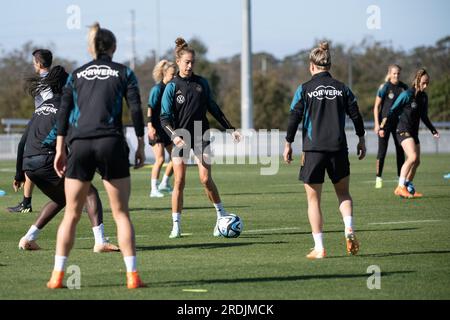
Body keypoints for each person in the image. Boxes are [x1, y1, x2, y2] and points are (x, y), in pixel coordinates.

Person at [49, 22, 146, 289]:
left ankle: (58, 276)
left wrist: (59, 148)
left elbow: (64, 111)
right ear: (114, 48)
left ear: (91, 47)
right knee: (121, 213)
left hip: (79, 144)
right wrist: (140, 143)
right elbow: (136, 108)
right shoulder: (124, 72)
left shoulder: (77, 74)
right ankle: (132, 276)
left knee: (71, 213)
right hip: (110, 143)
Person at [13, 65, 119, 253]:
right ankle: (100, 241)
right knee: (89, 191)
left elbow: (23, 141)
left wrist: (19, 173)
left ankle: (28, 238)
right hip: (46, 159)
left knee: (62, 199)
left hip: (29, 164)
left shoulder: (41, 108)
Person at [283, 42, 366, 259]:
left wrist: (288, 143)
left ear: (312, 66)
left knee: (314, 201)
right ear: (329, 65)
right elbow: (356, 115)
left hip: (313, 150)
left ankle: (319, 248)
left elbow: (294, 117)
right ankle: (348, 228)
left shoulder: (304, 89)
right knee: (343, 193)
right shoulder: (342, 88)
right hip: (338, 148)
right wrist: (361, 139)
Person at [160, 37, 241, 239]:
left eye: (192, 62)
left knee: (205, 179)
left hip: (200, 135)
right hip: (180, 137)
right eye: (186, 62)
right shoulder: (171, 86)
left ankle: (221, 216)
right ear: (178, 62)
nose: (189, 65)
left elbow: (213, 108)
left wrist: (231, 128)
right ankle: (176, 225)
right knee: (179, 180)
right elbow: (164, 118)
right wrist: (174, 136)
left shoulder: (201, 83)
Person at [379, 68, 439, 198]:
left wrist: (433, 130)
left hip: (413, 132)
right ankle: (400, 187)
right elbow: (392, 110)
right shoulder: (407, 94)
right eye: (424, 82)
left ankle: (407, 186)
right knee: (412, 157)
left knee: (416, 161)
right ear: (417, 81)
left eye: (427, 82)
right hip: (402, 130)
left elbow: (424, 116)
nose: (426, 85)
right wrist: (383, 126)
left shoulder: (423, 97)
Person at [6, 49, 52, 213]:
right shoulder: (52, 78)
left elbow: (49, 100)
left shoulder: (44, 80)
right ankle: (26, 202)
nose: (34, 65)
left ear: (39, 64)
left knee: (26, 150)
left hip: (43, 121)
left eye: (34, 62)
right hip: (44, 120)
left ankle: (26, 202)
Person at [373, 64, 407, 189]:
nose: (396, 75)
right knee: (382, 151)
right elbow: (376, 106)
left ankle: (400, 178)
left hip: (399, 124)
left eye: (398, 73)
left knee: (400, 150)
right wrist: (377, 124)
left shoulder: (404, 87)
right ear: (390, 73)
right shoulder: (384, 87)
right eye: (394, 73)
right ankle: (378, 178)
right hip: (384, 124)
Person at [148, 60, 176, 198]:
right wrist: (150, 126)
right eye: (172, 74)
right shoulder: (157, 89)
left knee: (176, 156)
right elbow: (150, 108)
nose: (174, 76)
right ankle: (153, 189)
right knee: (160, 159)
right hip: (156, 129)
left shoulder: (172, 88)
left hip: (167, 129)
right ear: (164, 73)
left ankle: (164, 183)